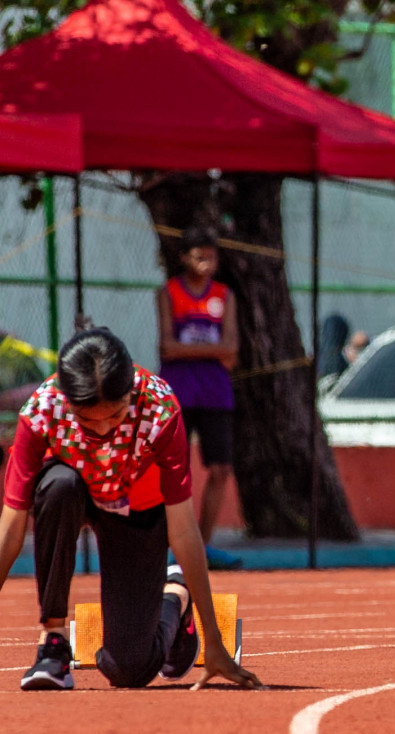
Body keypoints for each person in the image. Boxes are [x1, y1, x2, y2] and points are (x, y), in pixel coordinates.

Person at [0, 329, 261, 691]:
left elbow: (184, 530)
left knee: (128, 669)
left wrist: (214, 641)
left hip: (136, 508)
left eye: (116, 415)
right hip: (72, 493)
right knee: (59, 485)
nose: (105, 429)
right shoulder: (42, 410)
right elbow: (10, 531)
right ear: (67, 400)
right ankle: (54, 643)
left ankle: (176, 596)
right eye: (89, 421)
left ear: (131, 393)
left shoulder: (160, 407)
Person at [155, 225, 242, 570]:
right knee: (174, 471)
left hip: (215, 392)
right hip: (178, 391)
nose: (207, 261)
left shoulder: (224, 295)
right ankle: (170, 546)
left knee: (221, 469)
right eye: (200, 254)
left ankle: (201, 547)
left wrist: (190, 349)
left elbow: (232, 350)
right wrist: (212, 349)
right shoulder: (169, 293)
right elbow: (166, 347)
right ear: (184, 258)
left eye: (212, 254)